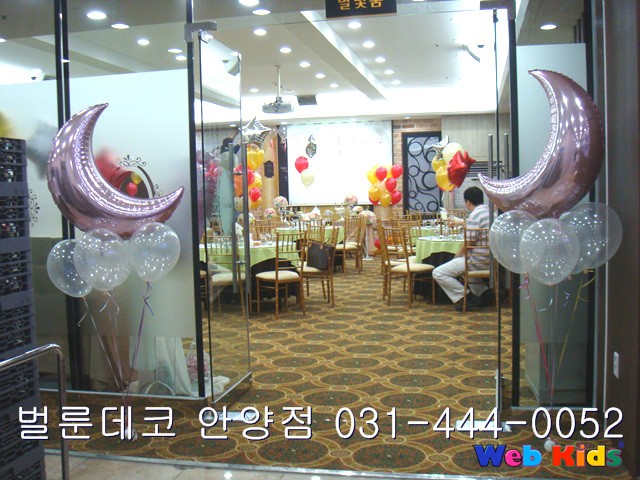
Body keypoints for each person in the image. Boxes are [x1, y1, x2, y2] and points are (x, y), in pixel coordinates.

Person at [433, 186, 492, 311]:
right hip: (491, 259)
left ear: (468, 202)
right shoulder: (490, 212)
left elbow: (468, 243)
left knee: (438, 273)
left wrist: (457, 256)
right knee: (463, 269)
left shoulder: (475, 215)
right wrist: (462, 223)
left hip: (477, 261)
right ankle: (485, 294)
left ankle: (467, 297)